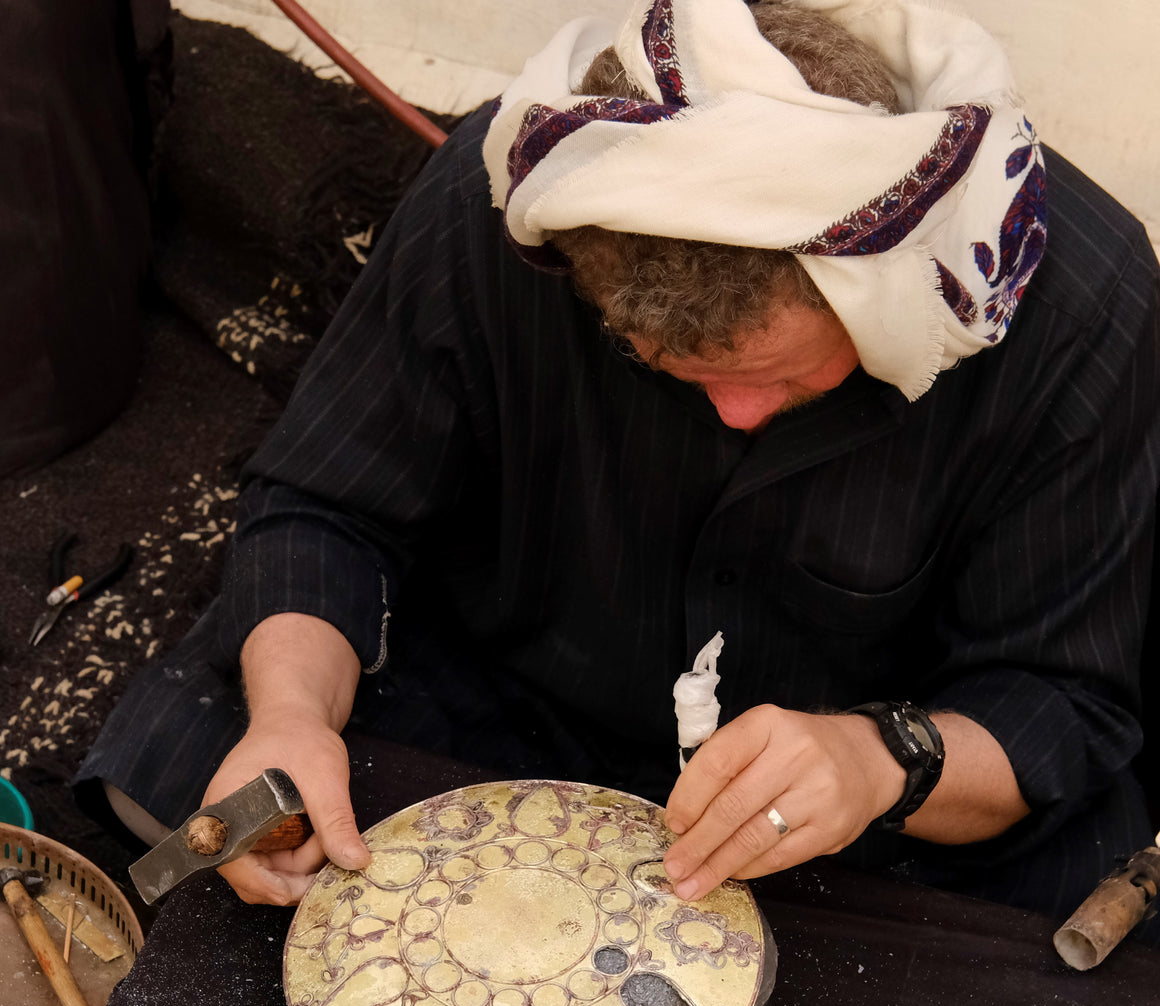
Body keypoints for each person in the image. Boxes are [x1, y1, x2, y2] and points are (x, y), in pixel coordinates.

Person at [79, 0, 1160, 920]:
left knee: (1041, 973)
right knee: (214, 760)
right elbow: (327, 503)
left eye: (785, 375)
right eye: (664, 368)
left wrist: (882, 759)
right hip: (512, 700)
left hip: (858, 787)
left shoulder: (1074, 304)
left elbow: (1056, 699)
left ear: (878, 306)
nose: (737, 417)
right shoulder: (504, 202)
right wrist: (290, 717)